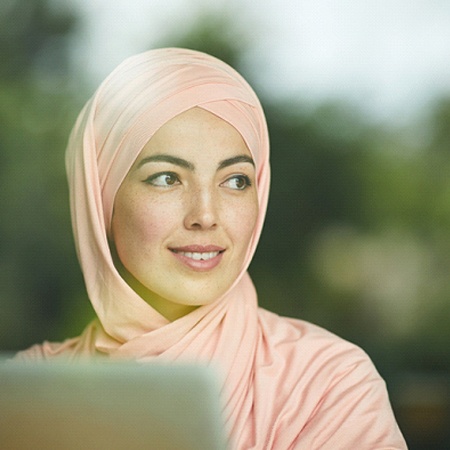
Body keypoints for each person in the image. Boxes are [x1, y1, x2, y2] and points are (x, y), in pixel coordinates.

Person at [15, 48, 407, 449]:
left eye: (236, 180)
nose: (205, 215)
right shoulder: (28, 389)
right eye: (167, 178)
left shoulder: (327, 386)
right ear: (101, 200)